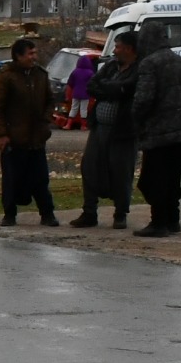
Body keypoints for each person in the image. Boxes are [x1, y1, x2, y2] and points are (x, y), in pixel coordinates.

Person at [127, 25, 181, 237]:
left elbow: (144, 98)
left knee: (152, 179)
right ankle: (173, 219)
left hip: (158, 130)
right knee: (173, 177)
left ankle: (158, 222)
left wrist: (136, 120)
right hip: (180, 130)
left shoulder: (150, 63)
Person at [0, 35, 58, 227]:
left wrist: (46, 121)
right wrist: (2, 134)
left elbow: (50, 100)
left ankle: (47, 214)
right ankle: (9, 214)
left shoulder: (40, 75)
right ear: (18, 56)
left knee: (41, 179)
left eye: (35, 53)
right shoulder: (6, 77)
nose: (34, 57)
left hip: (37, 138)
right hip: (14, 139)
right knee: (12, 180)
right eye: (30, 54)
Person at [71, 33, 140, 229]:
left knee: (121, 171)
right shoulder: (110, 66)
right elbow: (92, 85)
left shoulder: (139, 69)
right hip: (99, 128)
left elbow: (129, 88)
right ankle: (89, 212)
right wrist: (114, 90)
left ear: (129, 48)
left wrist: (114, 89)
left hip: (123, 131)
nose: (114, 50)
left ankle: (120, 214)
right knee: (90, 167)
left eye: (118, 46)